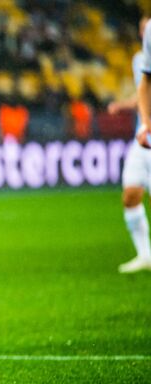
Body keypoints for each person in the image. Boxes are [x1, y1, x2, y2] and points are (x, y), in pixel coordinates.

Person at [115, 16, 151, 274]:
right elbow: (144, 86)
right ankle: (145, 255)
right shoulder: (139, 57)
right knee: (130, 194)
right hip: (144, 136)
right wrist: (145, 122)